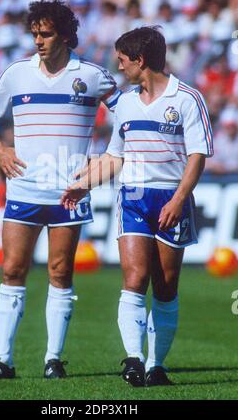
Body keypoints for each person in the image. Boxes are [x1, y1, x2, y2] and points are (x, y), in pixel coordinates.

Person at [0, 0, 121, 380]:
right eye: (35, 33)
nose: (38, 40)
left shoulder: (93, 75)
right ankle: (2, 360)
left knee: (60, 270)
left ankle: (54, 359)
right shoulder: (17, 72)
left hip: (69, 191)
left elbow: (127, 116)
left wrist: (104, 161)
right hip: (24, 188)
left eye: (46, 33)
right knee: (12, 268)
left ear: (66, 35)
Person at [61, 26, 214, 387]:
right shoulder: (126, 102)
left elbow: (197, 157)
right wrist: (84, 185)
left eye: (122, 60)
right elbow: (116, 156)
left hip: (171, 198)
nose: (119, 66)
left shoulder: (188, 99)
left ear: (140, 61)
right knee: (134, 278)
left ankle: (156, 365)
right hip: (133, 196)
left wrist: (178, 200)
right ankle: (133, 359)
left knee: (166, 286)